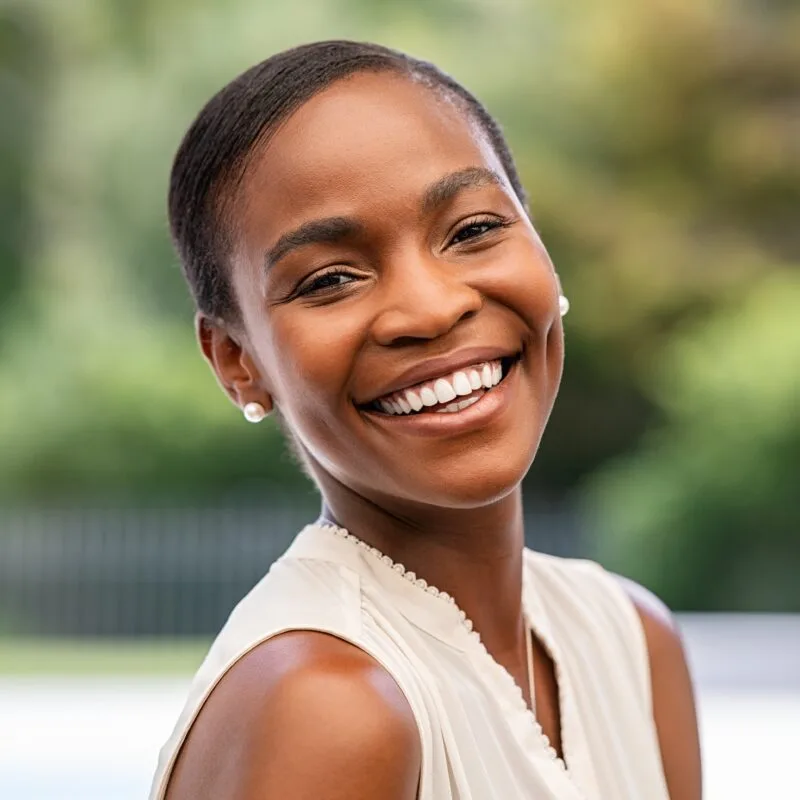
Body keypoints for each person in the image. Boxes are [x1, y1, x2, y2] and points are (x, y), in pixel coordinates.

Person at [150, 40, 701, 800]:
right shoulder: (326, 704)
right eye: (330, 279)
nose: (433, 308)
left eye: (473, 230)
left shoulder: (631, 640)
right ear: (238, 361)